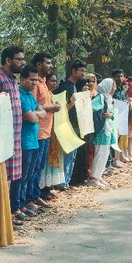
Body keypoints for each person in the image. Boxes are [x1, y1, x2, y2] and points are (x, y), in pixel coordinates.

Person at [0, 46, 26, 224]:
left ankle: (8, 214)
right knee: (2, 179)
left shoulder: (13, 80)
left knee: (12, 179)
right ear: (8, 60)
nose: (22, 63)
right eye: (19, 59)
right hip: (1, 140)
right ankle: (0, 218)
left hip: (15, 137)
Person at [29, 53, 61, 208]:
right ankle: (31, 198)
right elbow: (34, 106)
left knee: (39, 167)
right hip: (38, 132)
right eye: (48, 63)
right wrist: (52, 108)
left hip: (46, 132)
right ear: (38, 65)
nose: (51, 66)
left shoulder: (44, 83)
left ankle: (36, 196)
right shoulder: (35, 84)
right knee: (33, 168)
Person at [16, 66, 47, 215]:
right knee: (21, 177)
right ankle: (18, 205)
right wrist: (34, 114)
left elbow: (43, 112)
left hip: (33, 141)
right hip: (24, 142)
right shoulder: (20, 96)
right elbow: (34, 117)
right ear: (22, 80)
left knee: (30, 174)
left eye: (36, 80)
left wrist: (34, 114)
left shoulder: (29, 96)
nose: (35, 83)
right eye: (32, 80)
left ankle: (26, 201)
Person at [53, 60, 86, 190]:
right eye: (81, 70)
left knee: (72, 154)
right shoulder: (66, 86)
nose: (83, 73)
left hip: (74, 124)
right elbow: (62, 108)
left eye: (84, 70)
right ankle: (62, 183)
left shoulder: (75, 86)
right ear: (73, 71)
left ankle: (67, 181)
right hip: (67, 125)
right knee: (67, 154)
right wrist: (72, 101)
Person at [40, 72, 66, 194]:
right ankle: (42, 189)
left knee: (50, 160)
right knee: (43, 163)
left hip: (53, 130)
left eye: (55, 81)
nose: (54, 83)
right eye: (51, 81)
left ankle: (49, 187)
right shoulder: (43, 93)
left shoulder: (53, 95)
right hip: (44, 130)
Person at [87, 78, 115, 187]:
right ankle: (94, 178)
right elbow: (93, 107)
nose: (114, 88)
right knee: (100, 153)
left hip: (107, 129)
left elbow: (111, 113)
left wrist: (110, 115)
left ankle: (98, 175)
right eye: (113, 86)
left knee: (105, 153)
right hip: (101, 130)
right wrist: (103, 113)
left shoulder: (108, 98)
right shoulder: (101, 97)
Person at [71, 73, 97, 186]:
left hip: (85, 128)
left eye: (88, 85)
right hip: (76, 128)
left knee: (84, 152)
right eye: (85, 85)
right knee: (78, 154)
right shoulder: (75, 97)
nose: (87, 87)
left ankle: (82, 177)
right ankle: (75, 179)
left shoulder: (89, 97)